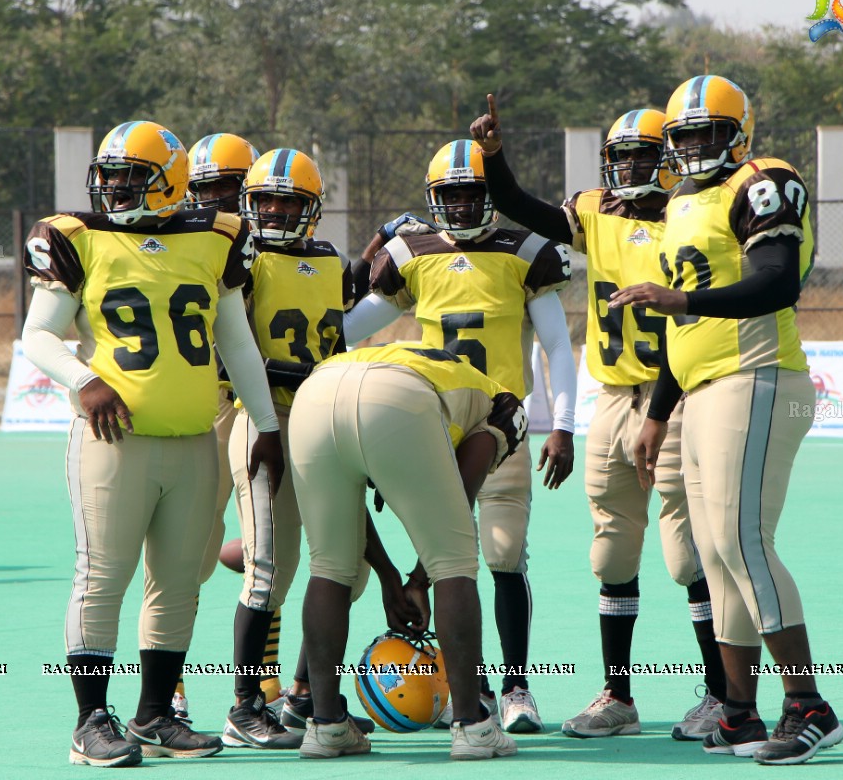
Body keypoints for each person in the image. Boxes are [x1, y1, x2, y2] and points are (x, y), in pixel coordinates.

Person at [21, 120, 285, 767]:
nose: (112, 188)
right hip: (115, 441)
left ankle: (155, 714)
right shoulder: (78, 238)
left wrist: (268, 427)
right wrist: (85, 381)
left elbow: (237, 344)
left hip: (194, 439)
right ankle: (90, 721)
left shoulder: (214, 237)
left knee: (176, 584)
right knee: (102, 577)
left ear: (165, 182)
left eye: (128, 177)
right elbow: (39, 336)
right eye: (106, 176)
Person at [469, 97, 728, 739]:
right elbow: (522, 208)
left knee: (684, 553)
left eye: (644, 153)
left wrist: (662, 409)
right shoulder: (595, 212)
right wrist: (496, 159)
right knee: (611, 550)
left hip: (677, 395)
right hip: (611, 396)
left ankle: (723, 693)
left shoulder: (688, 215)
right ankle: (618, 695)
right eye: (623, 155)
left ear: (668, 159)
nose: (633, 165)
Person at [611, 75, 843, 766]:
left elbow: (778, 279)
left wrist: (681, 299)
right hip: (706, 387)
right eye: (684, 135)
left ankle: (808, 704)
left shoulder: (762, 178)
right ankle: (738, 710)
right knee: (714, 556)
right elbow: (683, 335)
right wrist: (658, 411)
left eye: (710, 132)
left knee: (743, 541)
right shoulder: (685, 202)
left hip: (760, 375)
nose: (696, 146)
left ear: (740, 132)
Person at [345, 139, 577, 733]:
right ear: (433, 199)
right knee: (445, 560)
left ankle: (517, 687)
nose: (463, 205)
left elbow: (555, 344)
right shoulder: (414, 254)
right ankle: (458, 684)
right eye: (451, 195)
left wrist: (565, 424)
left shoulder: (523, 252)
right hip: (432, 432)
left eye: (473, 193)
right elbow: (345, 330)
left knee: (502, 555)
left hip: (503, 428)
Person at [288, 342, 527, 760]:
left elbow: (352, 513)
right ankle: (472, 725)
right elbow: (461, 493)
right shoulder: (502, 406)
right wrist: (419, 579)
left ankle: (324, 725)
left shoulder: (427, 366)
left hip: (314, 395)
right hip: (397, 399)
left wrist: (387, 576)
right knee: (455, 560)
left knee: (329, 565)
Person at [220, 147, 373, 749]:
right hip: (261, 425)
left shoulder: (331, 262)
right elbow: (229, 349)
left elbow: (336, 345)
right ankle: (244, 704)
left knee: (347, 568)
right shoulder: (243, 261)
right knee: (265, 573)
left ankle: (306, 695)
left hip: (320, 427)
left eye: (288, 200)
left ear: (311, 208)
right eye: (266, 201)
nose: (277, 211)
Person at [169, 131, 286, 721]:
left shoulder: (269, 246)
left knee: (274, 551)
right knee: (182, 553)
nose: (213, 200)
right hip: (205, 403)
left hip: (257, 409)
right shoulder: (189, 243)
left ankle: (264, 688)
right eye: (203, 188)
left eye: (228, 188)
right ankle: (171, 688)